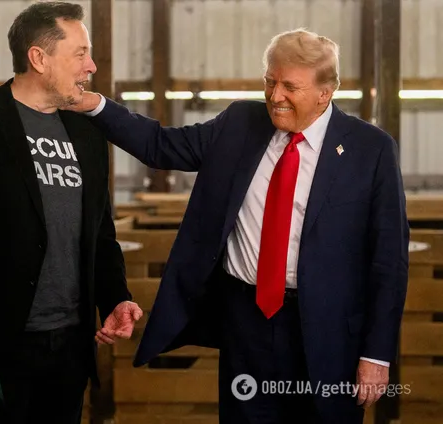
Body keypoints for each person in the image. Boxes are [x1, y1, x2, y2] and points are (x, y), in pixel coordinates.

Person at [69, 29, 409, 423]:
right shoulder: (240, 123)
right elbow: (161, 145)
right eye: (270, 81)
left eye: (290, 87)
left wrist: (376, 355)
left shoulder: (371, 149)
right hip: (247, 322)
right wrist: (94, 105)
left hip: (330, 332)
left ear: (325, 92)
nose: (275, 95)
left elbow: (388, 261)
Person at [0, 2, 143, 423]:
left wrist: (115, 297)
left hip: (70, 345)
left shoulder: (87, 131)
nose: (91, 66)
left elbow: (100, 231)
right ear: (39, 58)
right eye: (80, 54)